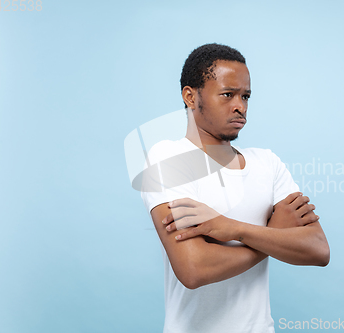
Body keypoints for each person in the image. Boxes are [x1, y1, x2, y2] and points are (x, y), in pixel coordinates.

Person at [140, 43, 330, 333]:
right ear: (190, 97)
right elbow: (193, 269)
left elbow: (318, 250)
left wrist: (234, 229)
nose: (240, 105)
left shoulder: (267, 163)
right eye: (228, 95)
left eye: (246, 96)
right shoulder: (167, 158)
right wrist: (273, 238)